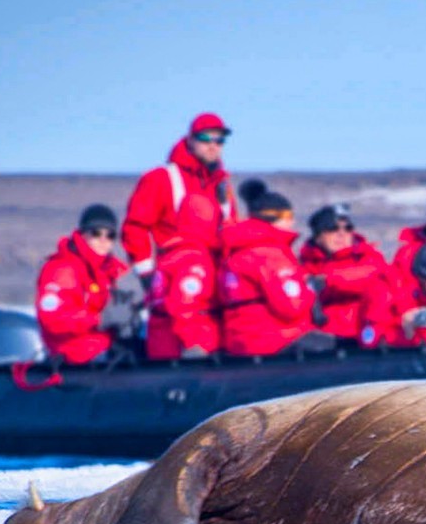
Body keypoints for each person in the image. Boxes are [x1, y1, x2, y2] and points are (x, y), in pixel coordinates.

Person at [121, 113, 235, 275]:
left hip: (216, 281)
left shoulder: (222, 184)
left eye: (220, 140)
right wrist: (147, 274)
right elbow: (135, 228)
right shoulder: (161, 179)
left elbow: (231, 229)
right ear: (190, 140)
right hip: (174, 276)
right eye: (205, 139)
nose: (213, 145)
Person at [217, 183, 322, 356]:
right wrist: (311, 289)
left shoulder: (236, 253)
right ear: (279, 218)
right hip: (275, 340)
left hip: (241, 342)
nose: (293, 222)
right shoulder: (271, 256)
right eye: (289, 216)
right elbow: (290, 307)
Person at [34, 204, 134, 364]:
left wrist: (127, 316)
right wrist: (100, 319)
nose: (103, 240)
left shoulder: (107, 273)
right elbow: (53, 319)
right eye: (96, 233)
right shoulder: (63, 270)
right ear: (83, 234)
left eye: (110, 235)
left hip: (103, 350)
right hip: (74, 358)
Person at [298, 203, 397, 347]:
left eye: (348, 228)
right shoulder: (304, 265)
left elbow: (373, 275)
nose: (341, 233)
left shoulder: (368, 256)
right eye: (333, 228)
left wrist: (328, 281)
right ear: (318, 236)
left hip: (363, 338)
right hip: (324, 341)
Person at [145, 194, 222, 360]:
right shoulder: (194, 259)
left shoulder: (173, 255)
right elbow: (183, 306)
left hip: (162, 345)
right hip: (183, 351)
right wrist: (194, 346)